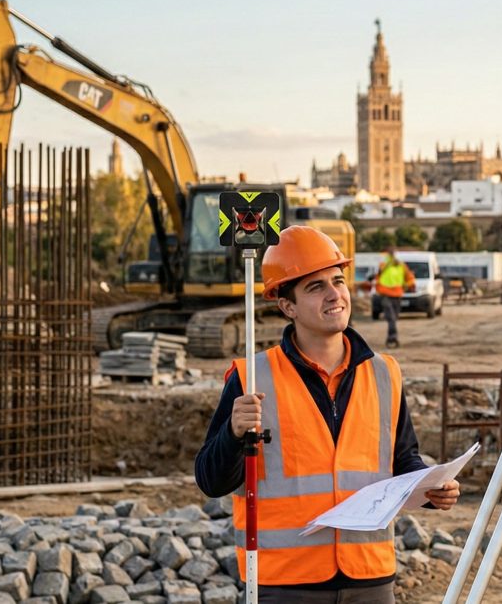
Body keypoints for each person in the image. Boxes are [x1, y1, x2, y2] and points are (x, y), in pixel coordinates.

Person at [195, 226, 459, 603]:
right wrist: (232, 436)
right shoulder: (252, 378)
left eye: (338, 281)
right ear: (287, 306)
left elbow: (403, 461)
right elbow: (210, 479)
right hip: (287, 582)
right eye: (315, 287)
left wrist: (431, 488)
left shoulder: (384, 373)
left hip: (369, 576)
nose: (335, 294)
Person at [371, 248, 415, 348]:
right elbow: (378, 276)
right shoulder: (384, 264)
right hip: (386, 295)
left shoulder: (401, 266)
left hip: (397, 295)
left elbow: (410, 278)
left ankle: (392, 337)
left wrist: (407, 285)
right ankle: (392, 338)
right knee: (391, 318)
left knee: (394, 318)